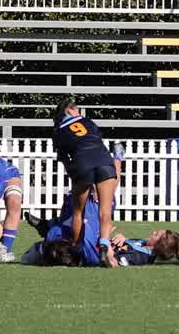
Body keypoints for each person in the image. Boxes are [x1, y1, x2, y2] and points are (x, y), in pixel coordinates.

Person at [22, 192, 179, 267]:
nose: (154, 231)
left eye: (158, 234)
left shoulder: (141, 256)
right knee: (87, 204)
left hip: (95, 255)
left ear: (160, 245)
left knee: (89, 214)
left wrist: (105, 240)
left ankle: (48, 227)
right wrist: (117, 236)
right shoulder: (140, 244)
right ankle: (49, 228)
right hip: (95, 246)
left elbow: (113, 262)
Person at [51, 100, 118, 266]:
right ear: (71, 110)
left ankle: (75, 248)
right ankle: (103, 246)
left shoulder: (58, 131)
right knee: (105, 211)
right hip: (104, 162)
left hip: (82, 165)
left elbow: (65, 159)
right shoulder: (88, 122)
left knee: (78, 212)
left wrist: (75, 176)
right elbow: (96, 140)